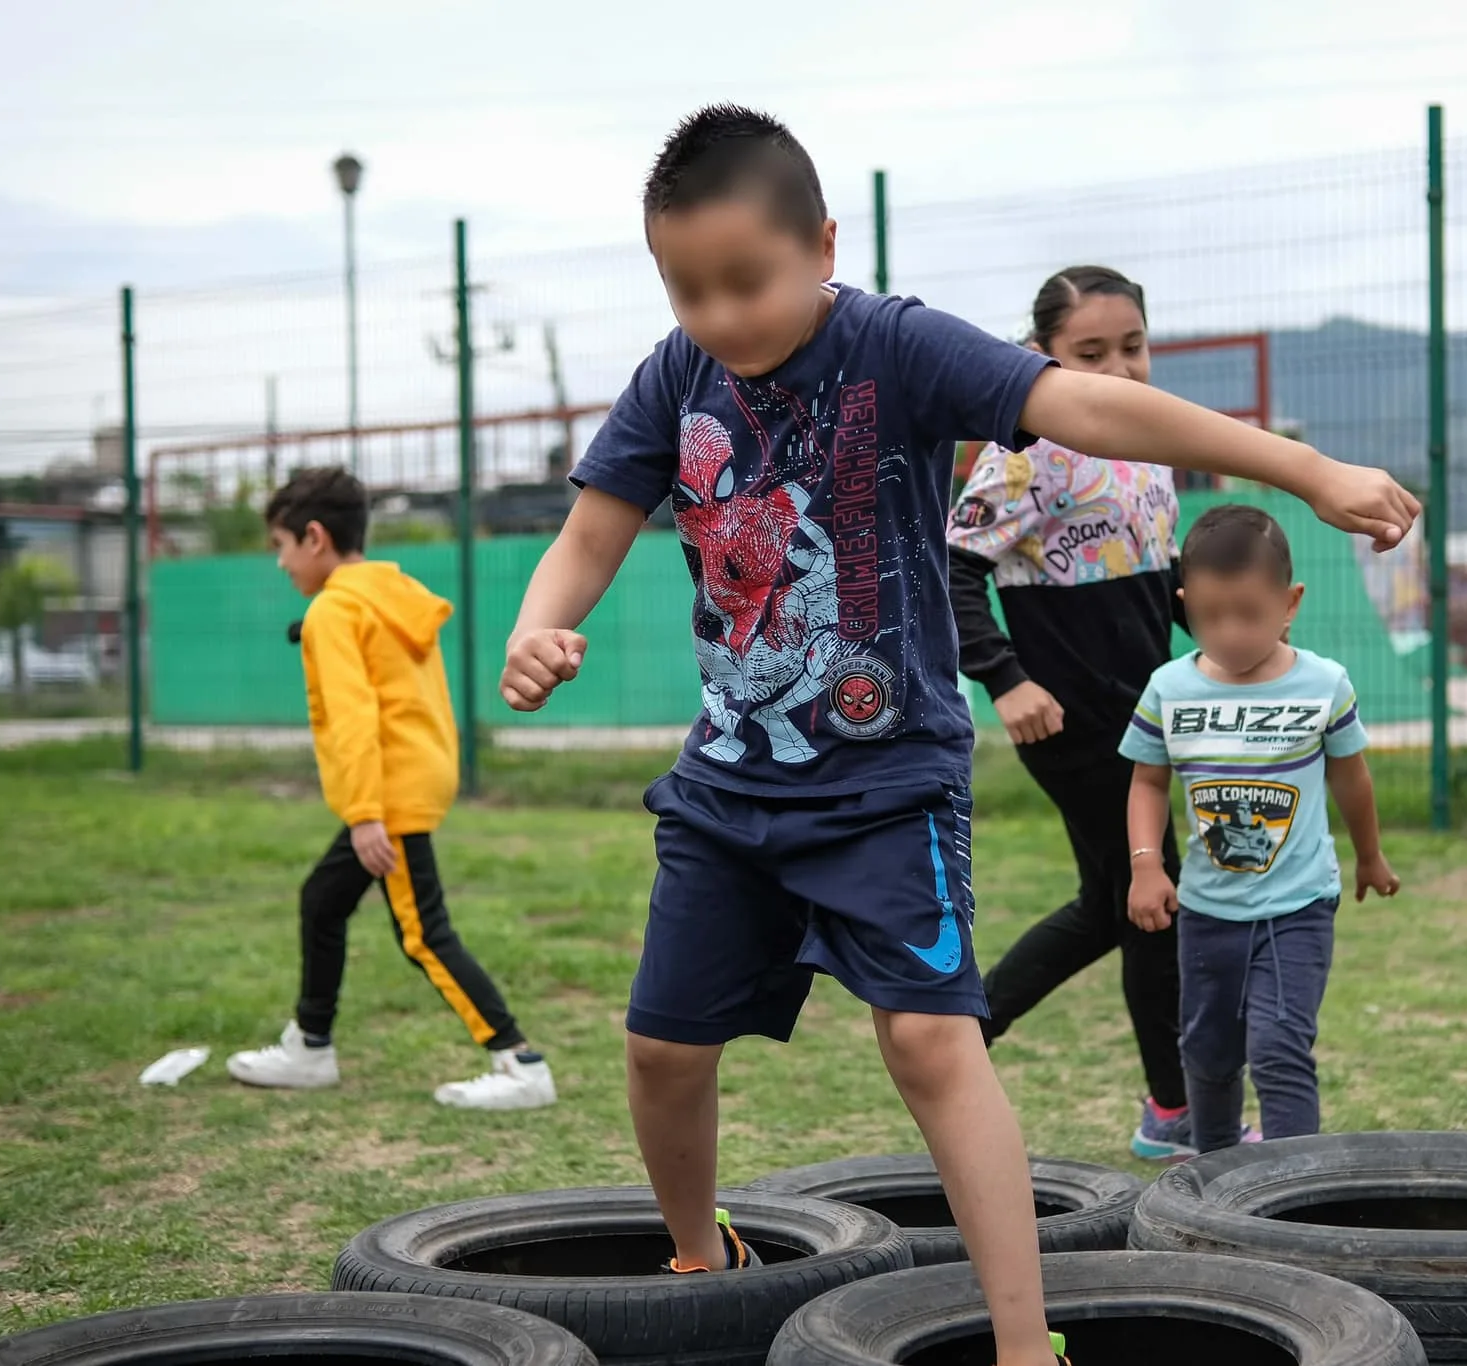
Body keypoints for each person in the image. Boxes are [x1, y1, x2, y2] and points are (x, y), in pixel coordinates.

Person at [499, 105, 1418, 1366]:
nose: (715, 315)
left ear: (820, 244)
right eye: (684, 287)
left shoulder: (895, 346)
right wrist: (537, 626)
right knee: (661, 1049)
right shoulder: (678, 374)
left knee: (932, 1039)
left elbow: (1088, 408)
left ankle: (1022, 1340)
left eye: (743, 282)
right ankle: (700, 1270)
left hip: (886, 784)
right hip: (730, 782)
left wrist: (1301, 474)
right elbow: (594, 529)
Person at [948, 265, 1250, 1162]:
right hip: (1069, 725)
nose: (1118, 370)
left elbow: (1161, 587)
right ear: (1042, 356)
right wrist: (1005, 680)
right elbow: (951, 572)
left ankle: (964, 1037)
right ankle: (1171, 1111)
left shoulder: (1152, 446)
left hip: (1146, 716)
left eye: (1132, 347)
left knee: (1118, 904)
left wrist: (1229, 658)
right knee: (1150, 905)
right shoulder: (1021, 456)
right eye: (1090, 353)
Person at [227, 466, 556, 1112]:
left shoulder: (334, 611)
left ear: (314, 537)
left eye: (281, 547)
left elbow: (353, 721)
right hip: (416, 777)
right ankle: (311, 1044)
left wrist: (365, 814)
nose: (280, 563)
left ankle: (520, 1062)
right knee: (323, 899)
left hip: (386, 796)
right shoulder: (391, 594)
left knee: (423, 933)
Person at [1122, 505, 1399, 1151]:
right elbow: (1148, 781)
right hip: (1206, 912)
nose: (1229, 633)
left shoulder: (1324, 685)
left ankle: (1293, 1189)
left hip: (1297, 906)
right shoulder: (1169, 689)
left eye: (1248, 614)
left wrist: (1370, 856)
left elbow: (1351, 778)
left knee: (1279, 1049)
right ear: (1185, 603)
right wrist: (1145, 863)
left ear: (1290, 601)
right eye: (1209, 616)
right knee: (1210, 1053)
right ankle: (1216, 1178)